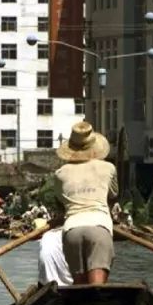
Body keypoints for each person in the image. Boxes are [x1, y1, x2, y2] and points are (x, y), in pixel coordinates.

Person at [55, 121, 118, 285]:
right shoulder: (108, 167)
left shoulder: (60, 173)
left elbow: (61, 201)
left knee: (80, 287)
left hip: (72, 230)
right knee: (97, 289)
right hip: (99, 227)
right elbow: (113, 195)